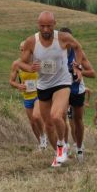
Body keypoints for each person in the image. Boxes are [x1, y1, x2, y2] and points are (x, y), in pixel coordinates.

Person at [18, 11, 84, 167]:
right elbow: (21, 63)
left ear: (54, 24)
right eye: (42, 26)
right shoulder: (31, 42)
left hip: (62, 82)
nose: (46, 29)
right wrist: (30, 67)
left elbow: (78, 47)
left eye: (49, 26)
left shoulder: (62, 38)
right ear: (38, 25)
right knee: (48, 124)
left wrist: (78, 66)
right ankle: (58, 153)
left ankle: (62, 145)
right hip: (43, 85)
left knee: (56, 116)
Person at [60, 27, 96, 162]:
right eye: (64, 39)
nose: (67, 42)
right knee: (60, 116)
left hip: (77, 90)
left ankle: (79, 148)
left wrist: (79, 70)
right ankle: (64, 146)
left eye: (70, 39)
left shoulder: (78, 54)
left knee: (78, 119)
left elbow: (93, 73)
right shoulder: (56, 53)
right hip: (62, 88)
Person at [9, 41, 47, 149]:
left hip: (39, 94)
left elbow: (51, 73)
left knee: (36, 116)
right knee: (33, 123)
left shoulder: (38, 62)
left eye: (25, 49)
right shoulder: (16, 64)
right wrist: (18, 86)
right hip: (27, 96)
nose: (23, 52)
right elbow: (11, 81)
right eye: (21, 50)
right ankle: (41, 143)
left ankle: (44, 137)